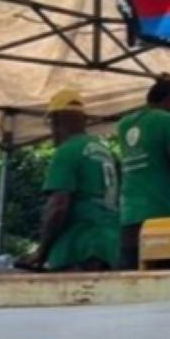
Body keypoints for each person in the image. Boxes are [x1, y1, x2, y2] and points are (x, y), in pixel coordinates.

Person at [26, 90, 120, 273]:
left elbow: (58, 206)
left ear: (57, 120)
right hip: (109, 245)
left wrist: (41, 252)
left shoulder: (67, 151)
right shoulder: (104, 151)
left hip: (79, 246)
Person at [116, 76, 170, 269]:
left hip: (129, 217)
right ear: (169, 100)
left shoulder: (124, 124)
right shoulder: (169, 121)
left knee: (134, 281)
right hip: (164, 216)